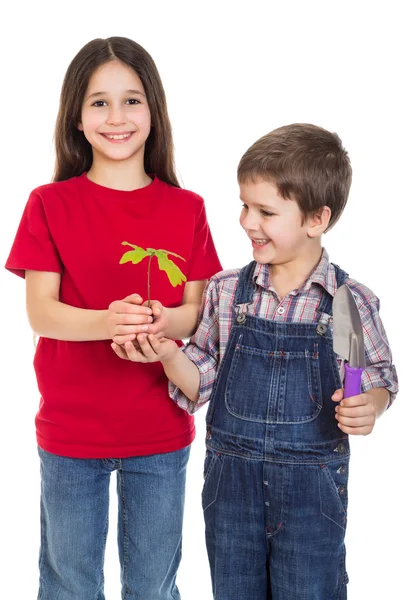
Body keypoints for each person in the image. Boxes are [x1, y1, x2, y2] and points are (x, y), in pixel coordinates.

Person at [113, 123, 398, 599]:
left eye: (265, 211)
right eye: (245, 205)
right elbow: (201, 375)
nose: (247, 221)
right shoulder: (227, 292)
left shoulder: (347, 300)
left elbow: (378, 377)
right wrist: (168, 354)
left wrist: (371, 404)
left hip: (313, 495)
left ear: (316, 219)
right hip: (232, 490)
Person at [5, 36, 222, 600]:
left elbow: (196, 314)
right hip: (71, 432)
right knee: (69, 586)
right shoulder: (49, 204)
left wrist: (156, 322)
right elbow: (41, 312)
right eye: (99, 102)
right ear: (76, 118)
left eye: (132, 100)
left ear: (154, 113)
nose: (117, 117)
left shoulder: (187, 207)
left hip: (159, 430)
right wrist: (111, 322)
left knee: (153, 587)